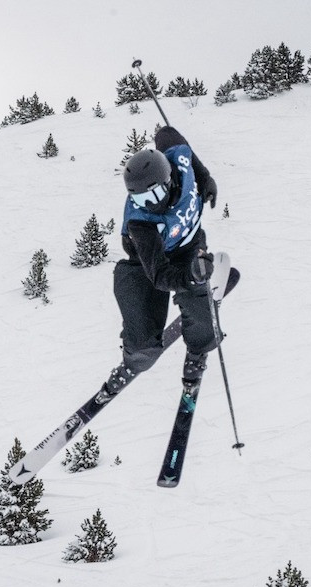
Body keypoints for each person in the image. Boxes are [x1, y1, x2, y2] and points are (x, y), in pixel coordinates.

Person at [100, 125, 220, 403]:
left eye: (153, 195)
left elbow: (169, 135)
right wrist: (188, 278)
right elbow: (159, 275)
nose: (150, 204)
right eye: (140, 198)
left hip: (188, 246)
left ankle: (197, 353)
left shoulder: (179, 157)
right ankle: (133, 361)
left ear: (169, 179)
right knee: (143, 339)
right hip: (146, 263)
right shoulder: (141, 221)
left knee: (203, 315)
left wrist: (206, 178)